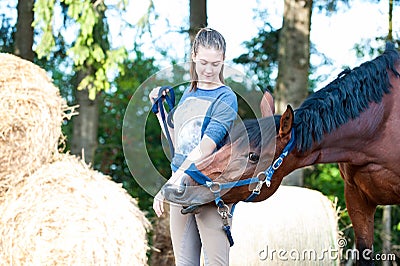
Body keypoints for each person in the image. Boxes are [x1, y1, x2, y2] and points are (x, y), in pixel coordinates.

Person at [149, 28, 238, 266]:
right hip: (181, 189)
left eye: (216, 64)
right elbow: (179, 144)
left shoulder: (226, 97)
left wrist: (170, 183)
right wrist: (161, 111)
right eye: (203, 63)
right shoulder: (189, 94)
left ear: (223, 61)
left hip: (210, 191)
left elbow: (205, 148)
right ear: (193, 56)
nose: (209, 70)